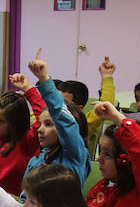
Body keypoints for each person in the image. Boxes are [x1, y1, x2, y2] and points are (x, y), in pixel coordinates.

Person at [22, 49, 90, 189]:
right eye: (41, 124)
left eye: (48, 124)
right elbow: (25, 198)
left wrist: (44, 79)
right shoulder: (36, 160)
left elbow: (62, 117)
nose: (40, 130)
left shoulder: (74, 156)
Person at [0, 76, 45, 195]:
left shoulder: (26, 142)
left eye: (0, 121)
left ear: (15, 123)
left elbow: (43, 116)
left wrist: (28, 89)